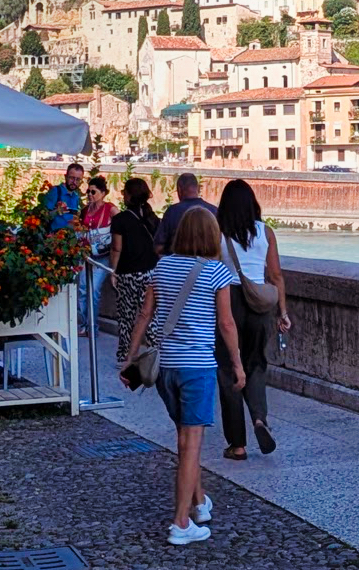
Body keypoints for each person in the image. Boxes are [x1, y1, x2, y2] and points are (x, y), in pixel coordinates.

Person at [122, 207, 245, 546]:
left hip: (166, 368)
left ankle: (200, 503)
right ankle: (180, 523)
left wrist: (130, 358)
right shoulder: (217, 273)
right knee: (191, 443)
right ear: (211, 235)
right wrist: (237, 364)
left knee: (184, 439)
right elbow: (226, 324)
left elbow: (144, 315)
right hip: (197, 367)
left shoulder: (162, 267)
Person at [215, 179, 291, 460]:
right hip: (260, 304)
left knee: (228, 369)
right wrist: (282, 312)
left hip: (229, 301)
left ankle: (237, 444)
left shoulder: (218, 233)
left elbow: (210, 270)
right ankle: (259, 418)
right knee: (256, 363)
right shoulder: (265, 232)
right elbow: (276, 275)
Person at [110, 178, 160, 363]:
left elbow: (116, 248)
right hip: (150, 272)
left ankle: (125, 355)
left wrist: (113, 271)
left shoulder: (120, 220)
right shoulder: (153, 218)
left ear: (129, 195)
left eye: (124, 192)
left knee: (126, 315)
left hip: (127, 273)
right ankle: (155, 354)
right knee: (150, 315)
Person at [77, 175, 117, 337]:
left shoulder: (110, 209)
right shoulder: (85, 210)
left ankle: (92, 327)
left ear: (103, 193)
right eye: (88, 191)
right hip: (86, 254)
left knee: (93, 291)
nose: (90, 195)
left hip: (102, 256)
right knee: (82, 290)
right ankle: (84, 325)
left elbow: (121, 225)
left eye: (93, 192)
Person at [154, 172, 218, 256]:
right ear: (198, 188)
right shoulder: (214, 210)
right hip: (209, 262)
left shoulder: (172, 212)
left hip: (177, 262)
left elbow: (158, 247)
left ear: (179, 189)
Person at [43, 163, 84, 231]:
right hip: (54, 235)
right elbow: (44, 216)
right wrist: (57, 211)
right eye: (72, 178)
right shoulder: (56, 191)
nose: (74, 182)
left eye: (78, 179)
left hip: (69, 235)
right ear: (65, 176)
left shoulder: (76, 196)